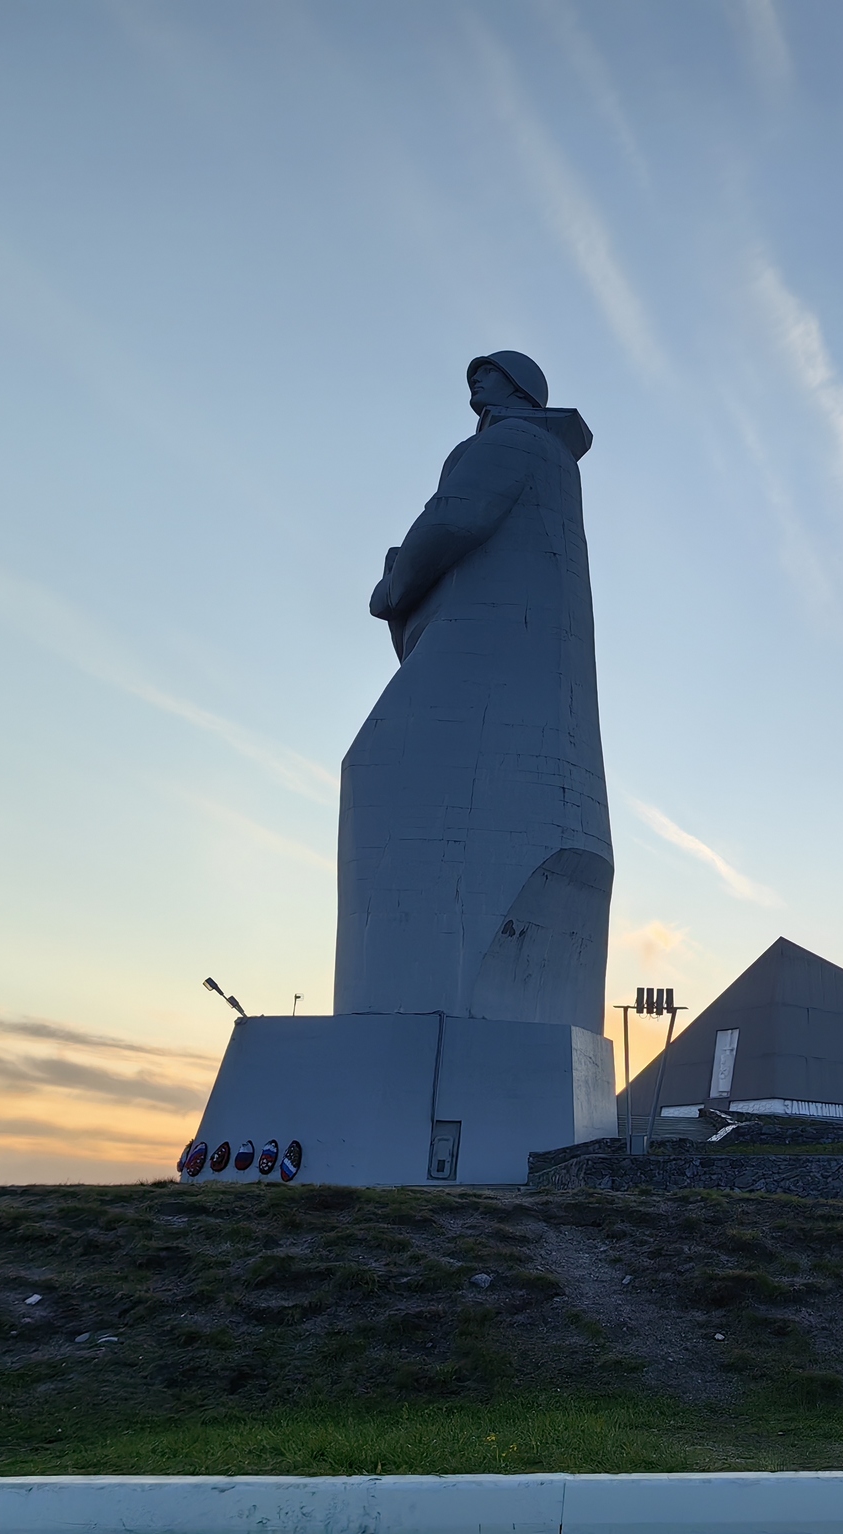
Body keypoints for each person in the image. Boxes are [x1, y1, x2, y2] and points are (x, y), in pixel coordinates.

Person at [333, 352, 613, 1033]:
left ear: (519, 388)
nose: (474, 384)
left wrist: (394, 587)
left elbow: (453, 519)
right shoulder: (555, 463)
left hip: (483, 664)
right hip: (530, 683)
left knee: (378, 770)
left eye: (487, 374)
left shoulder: (512, 442)